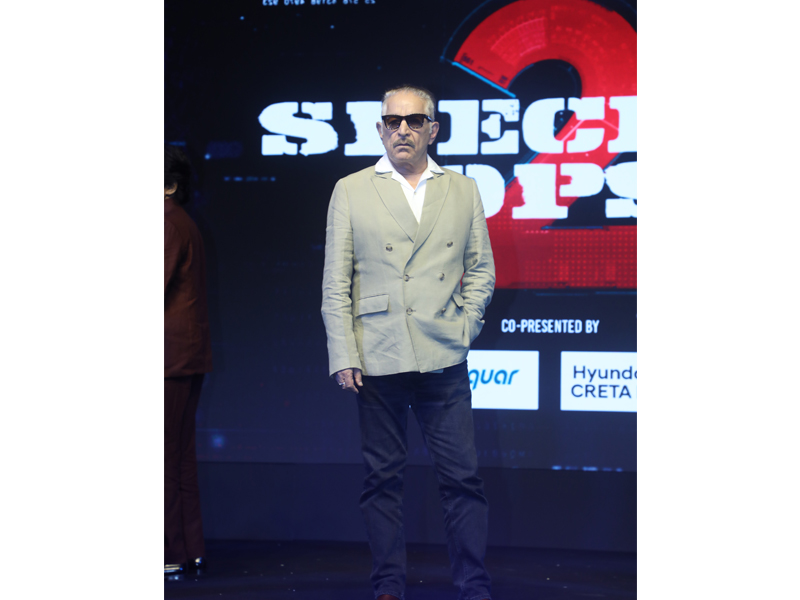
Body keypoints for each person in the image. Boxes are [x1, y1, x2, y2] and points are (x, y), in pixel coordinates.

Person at [321, 85, 496, 600]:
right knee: (382, 480)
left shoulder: (462, 189)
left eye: (414, 120)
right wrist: (343, 352)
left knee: (462, 478)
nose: (403, 129)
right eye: (393, 121)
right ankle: (388, 588)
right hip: (378, 352)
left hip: (443, 351)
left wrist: (465, 325)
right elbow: (336, 282)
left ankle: (474, 587)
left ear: (432, 130)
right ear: (379, 129)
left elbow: (481, 269)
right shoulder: (351, 189)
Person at [164, 144, 212, 575]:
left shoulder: (164, 222)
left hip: (168, 358)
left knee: (165, 457)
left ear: (169, 185)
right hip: (183, 355)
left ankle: (170, 553)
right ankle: (187, 550)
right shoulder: (181, 221)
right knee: (177, 457)